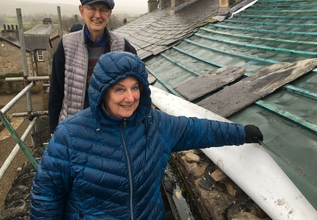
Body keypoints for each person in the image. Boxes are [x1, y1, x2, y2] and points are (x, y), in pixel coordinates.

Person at [30, 52, 263, 219]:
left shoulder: (156, 124)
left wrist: (241, 133)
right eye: (119, 89)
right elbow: (46, 197)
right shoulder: (70, 135)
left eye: (135, 87)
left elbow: (199, 129)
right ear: (102, 92)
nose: (130, 98)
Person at [48, 0, 137, 135]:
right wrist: (54, 129)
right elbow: (56, 89)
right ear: (82, 11)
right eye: (92, 8)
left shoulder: (123, 46)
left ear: (109, 14)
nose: (97, 15)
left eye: (103, 10)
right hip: (74, 128)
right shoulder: (66, 45)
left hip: (111, 129)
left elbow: (138, 86)